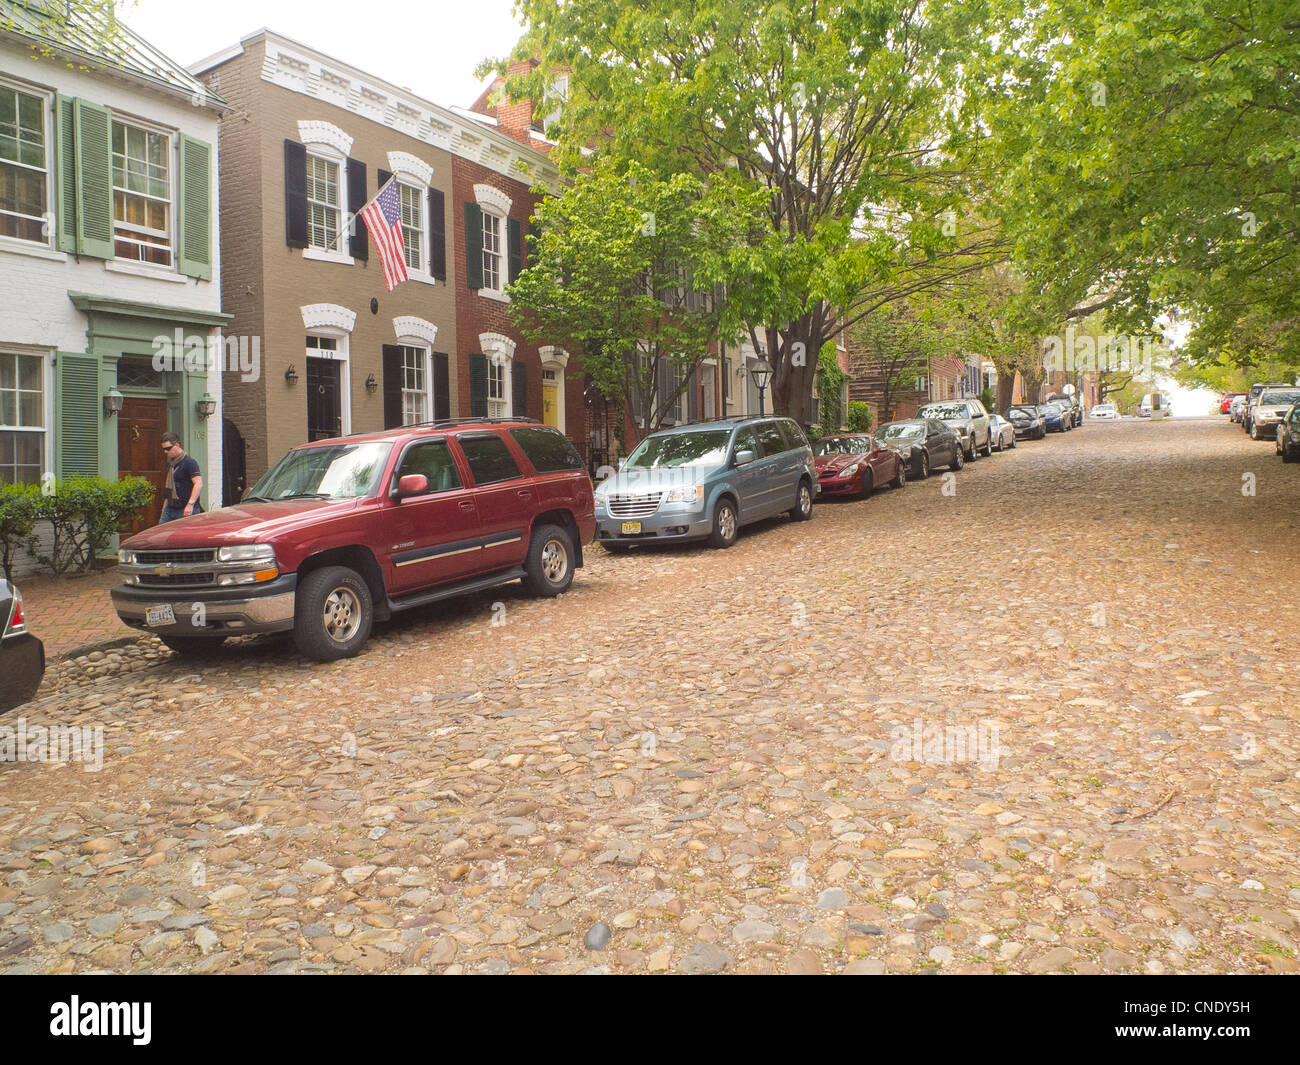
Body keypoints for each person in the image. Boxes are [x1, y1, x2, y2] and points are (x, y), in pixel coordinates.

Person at [159, 432, 203, 524]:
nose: (165, 452)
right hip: (170, 508)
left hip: (185, 509)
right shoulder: (171, 465)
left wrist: (190, 505)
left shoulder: (189, 463)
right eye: (164, 449)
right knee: (162, 535)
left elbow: (198, 483)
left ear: (177, 445)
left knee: (185, 537)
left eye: (168, 448)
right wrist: (164, 507)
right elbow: (169, 488)